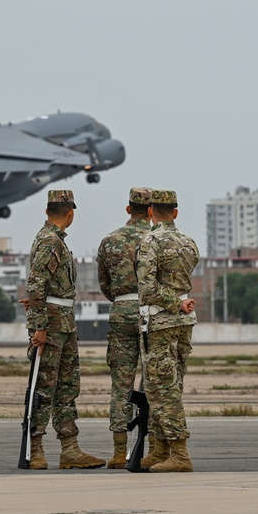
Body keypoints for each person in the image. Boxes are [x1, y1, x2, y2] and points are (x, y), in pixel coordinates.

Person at [21, 189, 105, 470]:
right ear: (71, 213)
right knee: (44, 387)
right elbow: (36, 285)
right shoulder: (50, 242)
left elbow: (41, 286)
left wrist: (39, 307)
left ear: (47, 211)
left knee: (67, 387)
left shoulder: (53, 240)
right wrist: (41, 326)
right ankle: (36, 449)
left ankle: (70, 448)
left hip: (63, 321)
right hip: (53, 324)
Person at [136, 189, 199, 472]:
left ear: (150, 212)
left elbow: (147, 288)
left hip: (161, 322)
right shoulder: (188, 242)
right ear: (175, 212)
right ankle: (161, 449)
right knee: (168, 386)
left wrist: (174, 303)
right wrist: (180, 302)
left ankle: (179, 453)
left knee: (162, 389)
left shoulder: (150, 242)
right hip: (183, 324)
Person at [96, 187, 153, 469]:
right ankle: (154, 448)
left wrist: (122, 299)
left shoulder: (110, 241)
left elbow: (105, 284)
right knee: (154, 383)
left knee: (121, 384)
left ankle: (119, 452)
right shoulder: (158, 240)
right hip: (151, 313)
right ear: (152, 211)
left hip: (121, 311)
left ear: (128, 209)